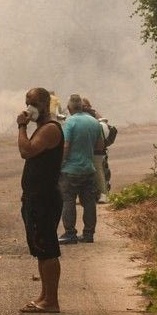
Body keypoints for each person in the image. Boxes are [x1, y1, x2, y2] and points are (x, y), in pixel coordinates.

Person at [17, 86, 64, 313]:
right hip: (36, 198)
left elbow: (26, 151)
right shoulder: (42, 128)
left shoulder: (49, 129)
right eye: (27, 103)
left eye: (34, 104)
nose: (29, 108)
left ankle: (51, 300)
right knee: (40, 248)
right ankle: (44, 296)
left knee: (47, 249)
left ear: (46, 104)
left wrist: (21, 127)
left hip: (44, 199)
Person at [58, 93, 105, 244]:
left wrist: (60, 163)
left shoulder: (69, 123)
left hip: (71, 170)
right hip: (89, 169)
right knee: (89, 202)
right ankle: (88, 234)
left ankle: (70, 234)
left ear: (69, 108)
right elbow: (100, 146)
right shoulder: (94, 122)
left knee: (68, 200)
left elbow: (65, 146)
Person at [80, 97, 115, 204]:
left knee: (98, 168)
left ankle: (103, 193)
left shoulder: (94, 115)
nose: (83, 108)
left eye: (84, 106)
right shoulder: (76, 116)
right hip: (82, 148)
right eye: (81, 106)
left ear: (89, 106)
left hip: (96, 148)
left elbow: (104, 126)